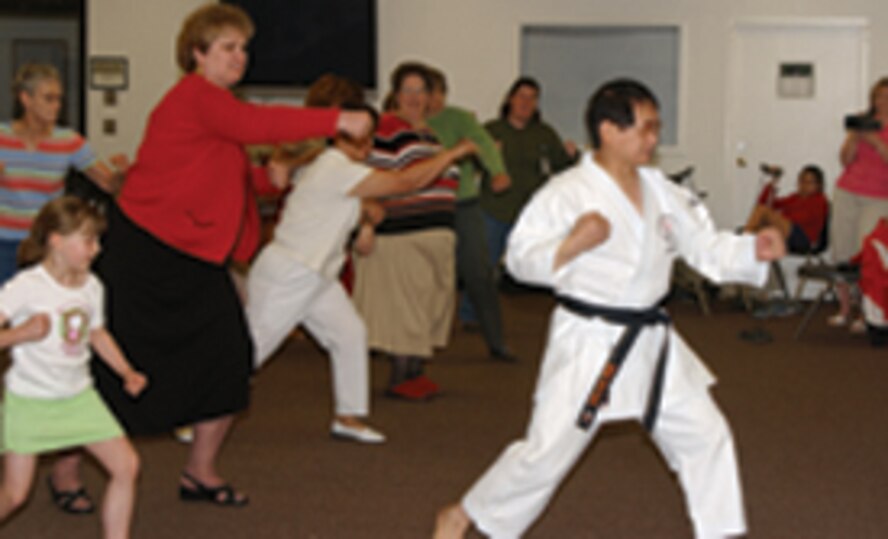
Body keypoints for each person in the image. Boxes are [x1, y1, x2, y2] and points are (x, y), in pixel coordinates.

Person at [49, 3, 372, 508]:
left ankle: (200, 471)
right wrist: (338, 117)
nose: (239, 57)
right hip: (145, 256)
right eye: (227, 47)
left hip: (197, 261)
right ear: (197, 54)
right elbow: (257, 124)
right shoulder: (195, 98)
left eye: (243, 48)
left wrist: (268, 182)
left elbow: (230, 179)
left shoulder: (217, 110)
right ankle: (65, 471)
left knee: (229, 362)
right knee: (110, 369)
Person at [434, 79, 785, 539]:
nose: (653, 139)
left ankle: (721, 533)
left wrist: (752, 250)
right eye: (645, 128)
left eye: (656, 128)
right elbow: (519, 258)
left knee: (706, 434)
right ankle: (462, 515)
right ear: (608, 130)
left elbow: (702, 244)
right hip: (590, 339)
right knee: (546, 454)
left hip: (652, 339)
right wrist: (571, 245)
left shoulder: (660, 189)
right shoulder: (568, 192)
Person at [247, 98, 477, 442]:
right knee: (249, 350)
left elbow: (367, 205)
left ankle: (348, 417)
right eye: (361, 136)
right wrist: (450, 154)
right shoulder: (334, 165)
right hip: (292, 273)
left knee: (350, 334)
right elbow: (404, 184)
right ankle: (194, 414)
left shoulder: (334, 170)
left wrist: (366, 221)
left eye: (371, 137)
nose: (369, 145)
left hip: (317, 276)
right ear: (339, 137)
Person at [0, 196, 146, 539]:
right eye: (88, 240)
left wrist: (126, 371)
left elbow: (96, 333)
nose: (95, 249)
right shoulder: (26, 287)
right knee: (15, 494)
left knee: (127, 467)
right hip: (31, 401)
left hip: (79, 396)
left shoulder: (93, 285)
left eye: (97, 240)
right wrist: (20, 333)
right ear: (56, 241)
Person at [351, 62, 460, 400]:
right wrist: (365, 223)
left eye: (420, 91)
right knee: (404, 311)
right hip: (401, 235)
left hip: (434, 235)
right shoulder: (386, 127)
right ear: (395, 95)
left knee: (426, 305)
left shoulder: (429, 136)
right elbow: (365, 178)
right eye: (407, 90)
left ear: (431, 98)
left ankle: (414, 372)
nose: (414, 97)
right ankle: (400, 378)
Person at [0, 63, 125, 284]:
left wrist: (122, 175)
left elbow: (107, 184)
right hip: (4, 242)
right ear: (26, 99)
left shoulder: (69, 141)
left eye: (59, 99)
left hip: (46, 243)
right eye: (48, 99)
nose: (56, 106)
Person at [425, 66, 516, 361]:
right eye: (428, 93)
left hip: (462, 204)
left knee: (479, 273)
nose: (434, 99)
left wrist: (497, 171)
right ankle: (409, 343)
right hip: (422, 206)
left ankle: (497, 342)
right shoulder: (404, 123)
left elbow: (484, 144)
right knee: (421, 276)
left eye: (439, 92)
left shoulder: (459, 119)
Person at [480, 77, 576, 275]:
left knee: (542, 267)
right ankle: (471, 308)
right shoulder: (491, 130)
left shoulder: (544, 133)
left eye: (533, 98)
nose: (526, 103)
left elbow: (563, 168)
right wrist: (485, 154)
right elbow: (471, 162)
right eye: (522, 97)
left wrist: (572, 156)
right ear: (510, 100)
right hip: (496, 211)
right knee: (483, 270)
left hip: (531, 214)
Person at [830, 77, 888, 332]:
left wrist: (876, 141)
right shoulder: (863, 121)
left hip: (878, 196)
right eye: (878, 96)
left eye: (886, 97)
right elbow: (845, 159)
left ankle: (867, 314)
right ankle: (844, 308)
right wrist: (855, 137)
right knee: (842, 251)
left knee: (867, 255)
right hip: (847, 191)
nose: (882, 102)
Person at [744, 164, 829, 252]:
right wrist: (774, 181)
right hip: (788, 233)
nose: (804, 185)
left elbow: (800, 220)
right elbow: (766, 203)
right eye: (802, 181)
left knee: (763, 215)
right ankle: (745, 246)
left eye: (809, 182)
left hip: (803, 239)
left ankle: (742, 245)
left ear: (819, 185)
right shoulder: (795, 197)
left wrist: (774, 219)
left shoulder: (820, 200)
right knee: (759, 218)